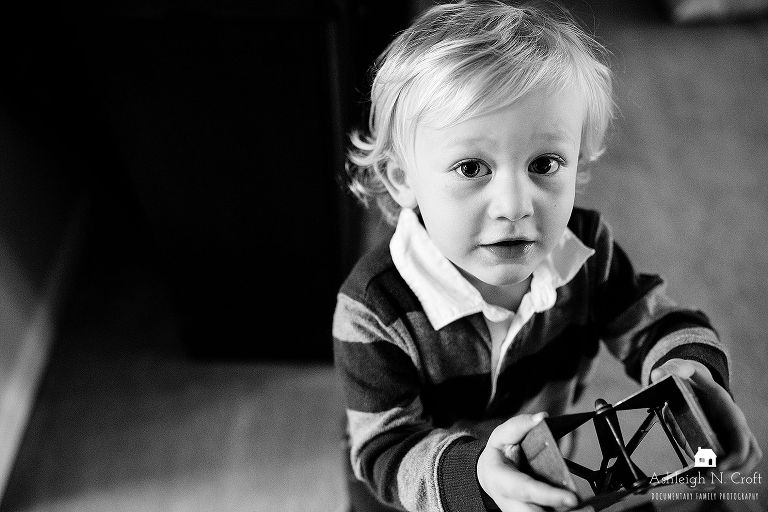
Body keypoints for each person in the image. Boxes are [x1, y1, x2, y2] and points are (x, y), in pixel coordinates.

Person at [333, 2, 762, 511]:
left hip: (551, 467)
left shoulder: (583, 249)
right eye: (471, 168)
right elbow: (386, 448)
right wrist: (480, 481)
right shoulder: (373, 309)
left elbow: (653, 323)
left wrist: (694, 375)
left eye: (544, 163)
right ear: (403, 179)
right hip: (420, 495)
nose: (515, 206)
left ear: (579, 164)